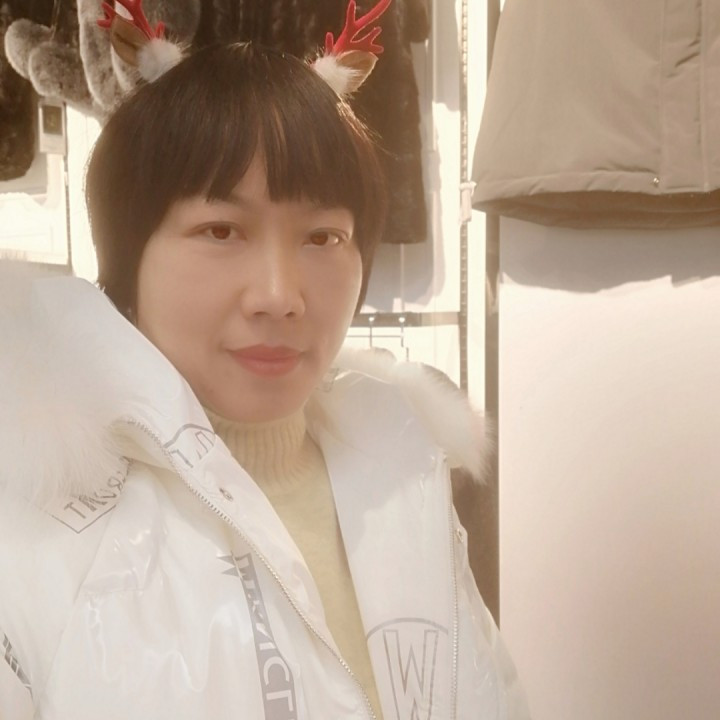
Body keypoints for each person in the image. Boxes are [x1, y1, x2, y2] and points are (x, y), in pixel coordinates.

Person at [0, 2, 530, 718]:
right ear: (127, 257)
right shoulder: (36, 525)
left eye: (323, 238)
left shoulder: (407, 469)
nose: (280, 296)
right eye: (221, 231)